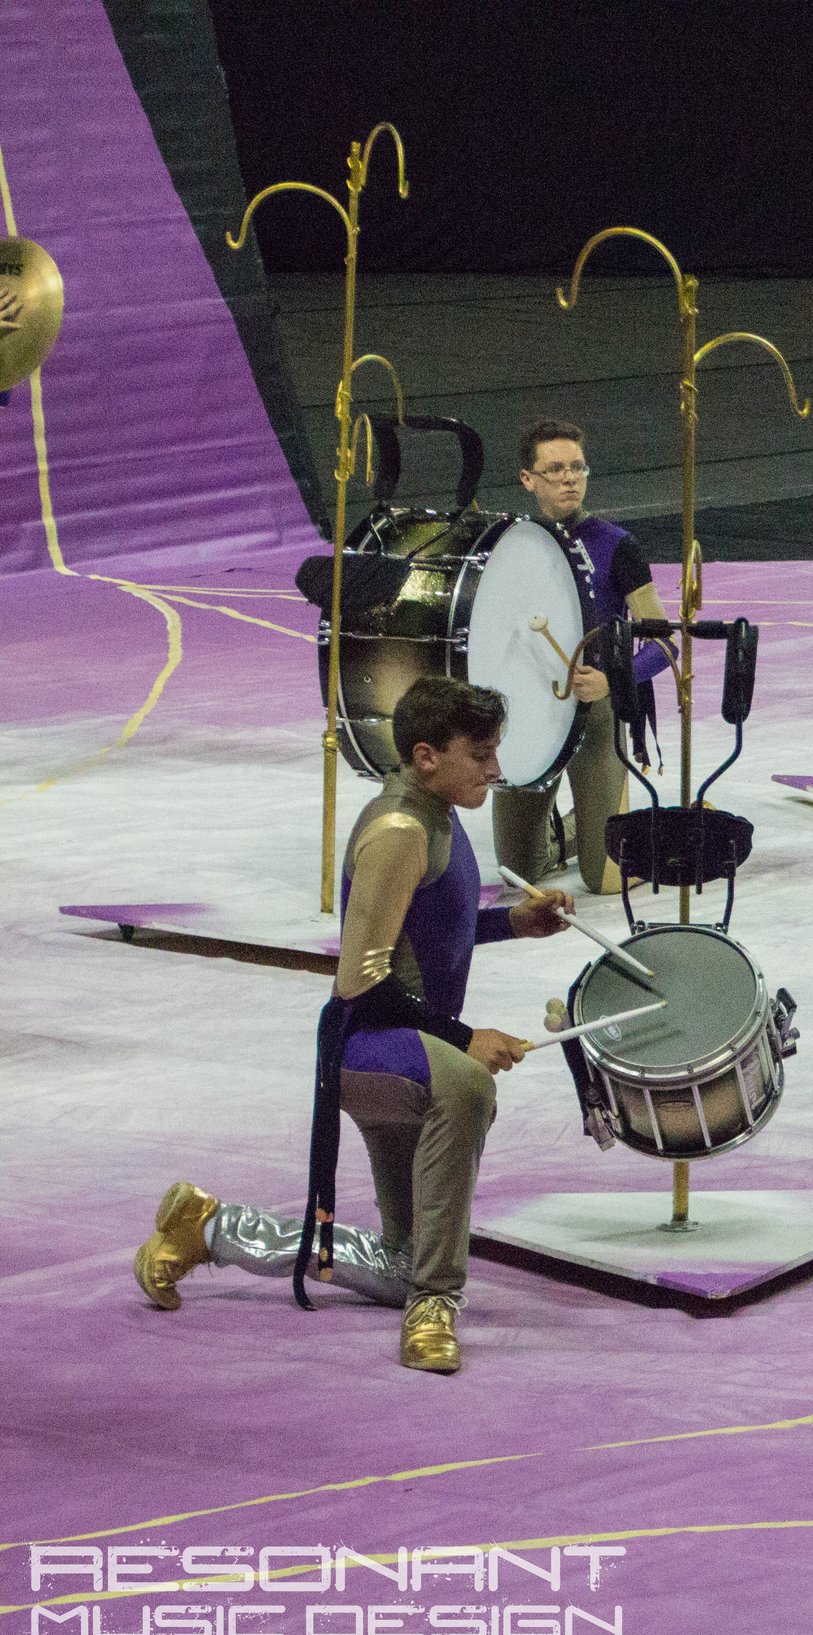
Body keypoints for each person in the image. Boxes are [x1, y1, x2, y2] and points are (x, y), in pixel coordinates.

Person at [134, 677, 573, 1372]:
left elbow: (436, 934)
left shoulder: (437, 810)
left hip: (403, 1044)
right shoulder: (400, 831)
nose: (495, 769)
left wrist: (516, 921)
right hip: (368, 1048)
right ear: (427, 756)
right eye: (481, 754)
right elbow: (359, 982)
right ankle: (435, 1306)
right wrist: (464, 1039)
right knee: (467, 1086)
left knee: (397, 1263)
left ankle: (210, 1227)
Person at [491, 419, 670, 894]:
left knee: (606, 882)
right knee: (519, 878)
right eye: (555, 469)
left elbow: (666, 642)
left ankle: (649, 825)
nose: (570, 478)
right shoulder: (507, 546)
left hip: (596, 711)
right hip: (531, 714)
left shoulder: (617, 545)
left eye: (577, 467)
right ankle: (570, 830)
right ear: (528, 479)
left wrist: (615, 678)